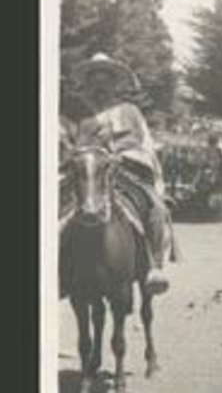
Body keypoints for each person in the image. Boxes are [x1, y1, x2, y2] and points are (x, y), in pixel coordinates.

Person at [64, 53, 174, 296]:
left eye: (107, 79)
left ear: (114, 83)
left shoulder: (130, 111)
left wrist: (117, 152)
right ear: (88, 81)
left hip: (123, 169)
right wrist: (77, 150)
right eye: (95, 78)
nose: (101, 84)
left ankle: (154, 267)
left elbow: (140, 140)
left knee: (155, 206)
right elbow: (64, 137)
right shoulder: (74, 109)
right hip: (82, 169)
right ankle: (53, 267)